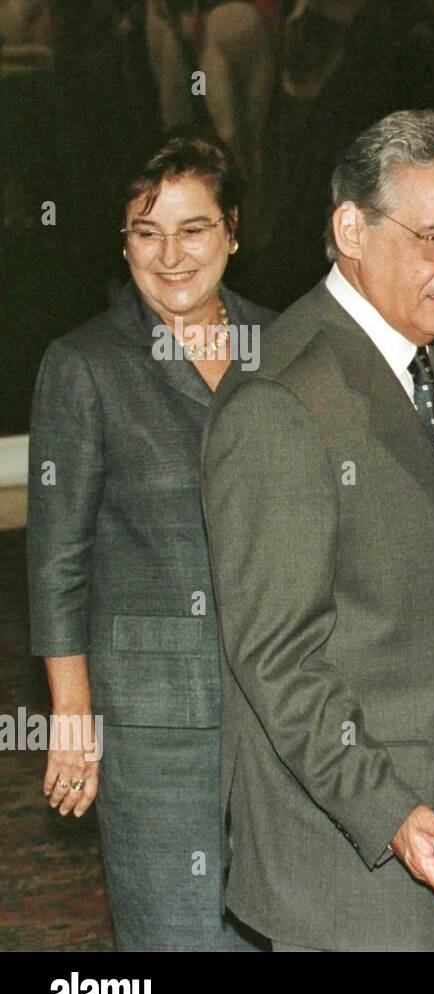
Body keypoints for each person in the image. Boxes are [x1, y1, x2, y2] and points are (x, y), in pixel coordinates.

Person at [200, 110, 434, 951]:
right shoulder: (282, 403)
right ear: (349, 229)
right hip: (353, 878)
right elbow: (277, 656)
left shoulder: (413, 353)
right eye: (433, 239)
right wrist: (388, 811)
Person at [26, 131, 275, 950]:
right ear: (123, 241)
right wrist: (72, 716)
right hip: (156, 726)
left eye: (193, 228)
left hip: (288, 716)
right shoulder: (86, 365)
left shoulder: (288, 347)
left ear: (233, 230)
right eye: (146, 231)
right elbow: (57, 557)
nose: (170, 255)